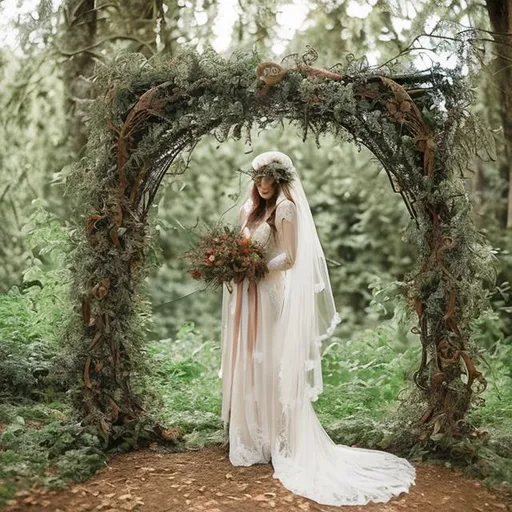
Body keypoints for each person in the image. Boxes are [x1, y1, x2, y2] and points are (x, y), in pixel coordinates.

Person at [220, 151, 416, 506]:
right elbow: (239, 245)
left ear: (279, 179)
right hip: (246, 296)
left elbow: (291, 257)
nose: (263, 184)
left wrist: (256, 267)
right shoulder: (248, 211)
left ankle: (279, 437)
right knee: (250, 359)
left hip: (267, 294)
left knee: (270, 361)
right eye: (258, 178)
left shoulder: (286, 209)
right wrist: (233, 262)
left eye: (269, 178)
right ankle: (254, 435)